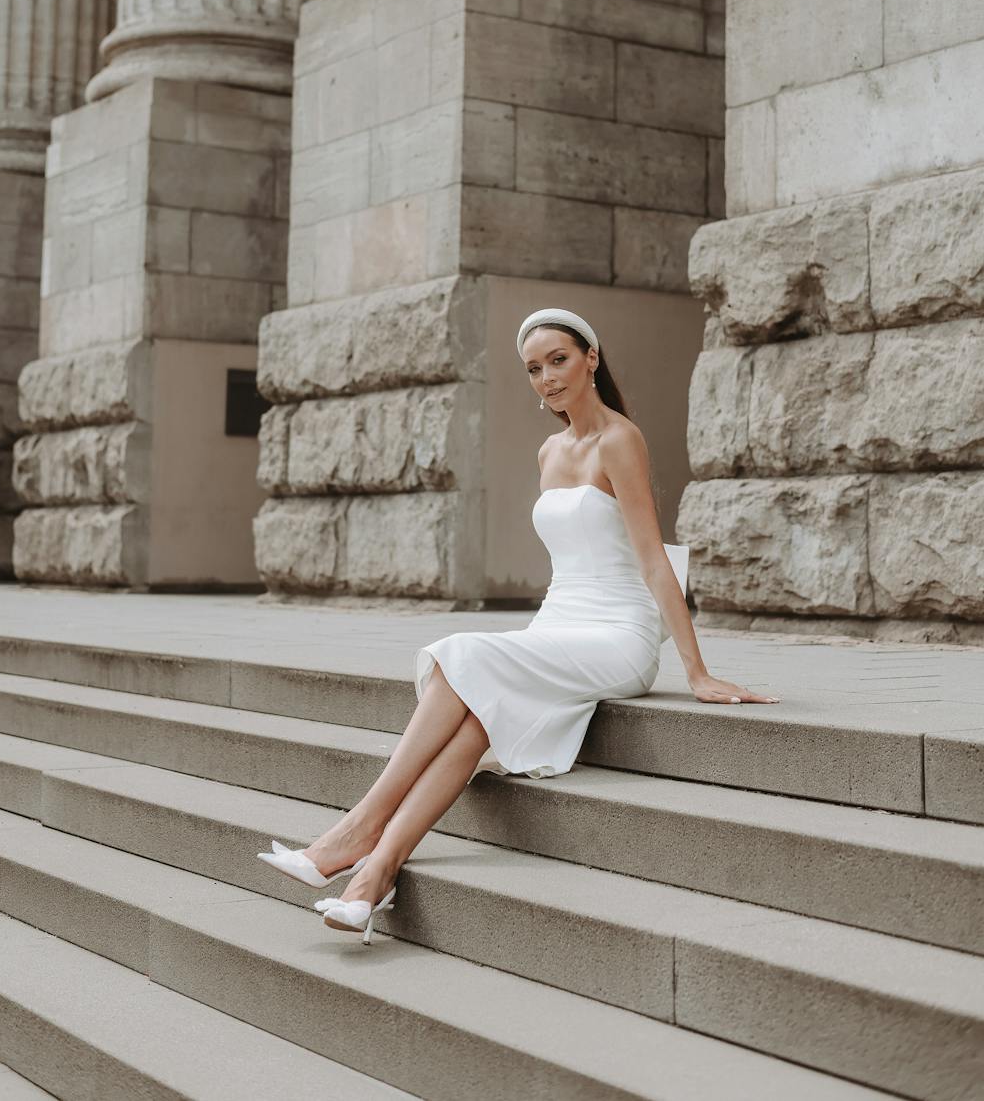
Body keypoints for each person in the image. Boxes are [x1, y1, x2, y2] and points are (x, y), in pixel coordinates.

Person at [257, 307, 779, 942]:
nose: (547, 378)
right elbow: (568, 564)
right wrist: (537, 638)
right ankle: (374, 878)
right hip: (558, 625)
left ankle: (357, 830)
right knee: (478, 713)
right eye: (533, 369)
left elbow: (650, 559)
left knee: (461, 653)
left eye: (558, 360)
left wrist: (695, 671)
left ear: (591, 357)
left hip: (618, 635)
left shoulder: (620, 440)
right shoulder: (549, 450)